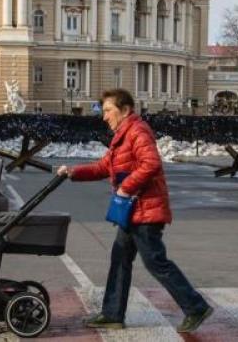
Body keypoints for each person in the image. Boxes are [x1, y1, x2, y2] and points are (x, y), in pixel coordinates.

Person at [56, 88, 213, 333]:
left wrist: (125, 189)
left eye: (108, 110)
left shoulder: (137, 132)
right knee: (120, 259)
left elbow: (151, 164)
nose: (104, 116)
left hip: (145, 211)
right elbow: (102, 167)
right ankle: (112, 314)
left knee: (155, 262)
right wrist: (73, 172)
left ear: (125, 110)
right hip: (134, 211)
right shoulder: (122, 137)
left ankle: (196, 307)